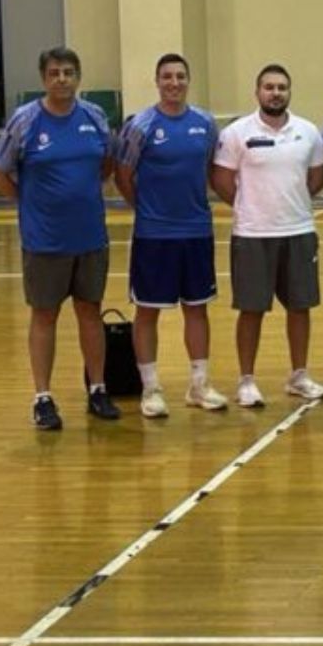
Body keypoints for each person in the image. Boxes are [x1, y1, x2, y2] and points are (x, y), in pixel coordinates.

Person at [0, 46, 118, 430]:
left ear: (78, 77)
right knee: (45, 315)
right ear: (44, 79)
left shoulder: (94, 116)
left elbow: (108, 161)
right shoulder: (26, 120)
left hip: (90, 236)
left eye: (69, 72)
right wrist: (26, 201)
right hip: (44, 241)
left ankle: (98, 388)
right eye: (55, 73)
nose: (62, 79)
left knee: (90, 311)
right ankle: (43, 398)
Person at [212, 63, 323, 406]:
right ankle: (246, 381)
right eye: (269, 87)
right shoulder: (236, 133)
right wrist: (250, 206)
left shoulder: (308, 131)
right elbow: (221, 180)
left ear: (289, 92)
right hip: (252, 234)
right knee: (251, 310)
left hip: (299, 231)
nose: (275, 93)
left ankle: (299, 375)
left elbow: (317, 179)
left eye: (281, 87)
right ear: (258, 92)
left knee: (300, 307)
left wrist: (291, 203)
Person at [114, 53, 222, 416]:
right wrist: (146, 209)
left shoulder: (205, 123)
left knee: (197, 308)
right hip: (154, 235)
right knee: (147, 311)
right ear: (157, 81)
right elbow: (123, 176)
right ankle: (151, 389)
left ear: (188, 80)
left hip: (197, 231)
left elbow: (211, 169)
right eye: (167, 77)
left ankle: (199, 385)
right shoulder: (140, 125)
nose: (174, 83)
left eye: (180, 76)